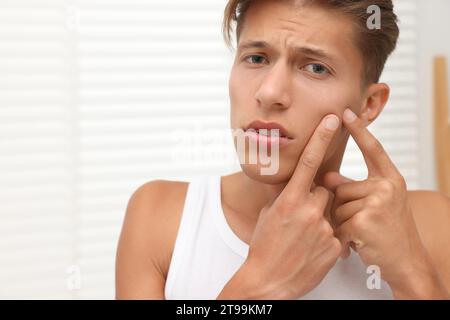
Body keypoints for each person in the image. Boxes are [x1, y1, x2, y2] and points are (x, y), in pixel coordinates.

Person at [115, 0, 450, 299]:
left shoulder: (430, 223)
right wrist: (260, 282)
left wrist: (411, 274)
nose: (270, 92)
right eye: (256, 58)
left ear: (369, 104)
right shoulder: (160, 218)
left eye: (315, 67)